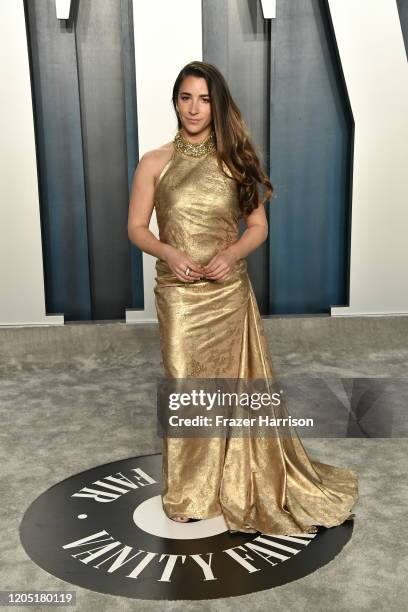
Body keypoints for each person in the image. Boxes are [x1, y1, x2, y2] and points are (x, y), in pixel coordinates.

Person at [127, 60, 358, 535]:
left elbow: (258, 228)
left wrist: (231, 255)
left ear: (217, 105)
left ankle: (231, 481)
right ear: (174, 101)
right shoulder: (154, 161)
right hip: (178, 292)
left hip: (226, 292)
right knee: (187, 386)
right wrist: (168, 250)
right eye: (186, 97)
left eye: (204, 99)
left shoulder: (236, 159)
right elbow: (135, 228)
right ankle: (190, 491)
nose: (194, 108)